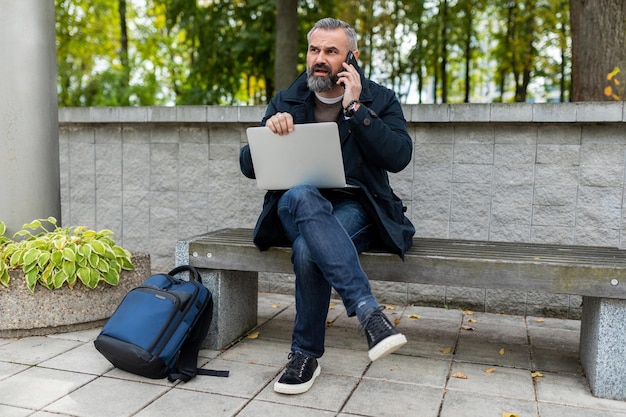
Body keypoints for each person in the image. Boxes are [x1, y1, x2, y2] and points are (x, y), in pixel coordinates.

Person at [239, 17, 415, 395]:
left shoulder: (378, 99)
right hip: (293, 206)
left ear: (351, 56)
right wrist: (271, 132)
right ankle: (368, 313)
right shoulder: (286, 99)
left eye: (330, 51)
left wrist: (356, 111)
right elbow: (247, 166)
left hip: (356, 206)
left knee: (308, 248)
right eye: (314, 49)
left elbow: (399, 156)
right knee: (302, 194)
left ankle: (304, 355)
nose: (320, 58)